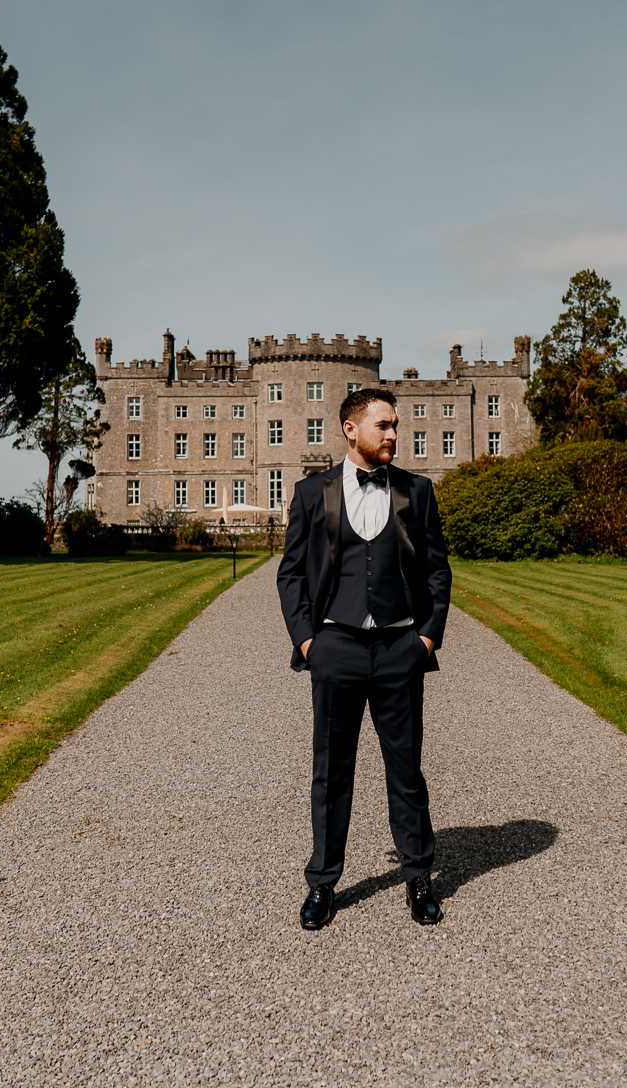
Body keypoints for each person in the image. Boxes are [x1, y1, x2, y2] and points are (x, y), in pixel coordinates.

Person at [276, 387, 451, 930]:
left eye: (395, 425)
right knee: (331, 773)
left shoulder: (417, 491)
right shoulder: (311, 492)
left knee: (406, 772)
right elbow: (291, 575)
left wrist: (426, 638)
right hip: (337, 649)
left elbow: (437, 571)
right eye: (384, 426)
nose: (394, 435)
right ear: (351, 429)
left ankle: (418, 876)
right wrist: (309, 642)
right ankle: (323, 884)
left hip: (401, 648)